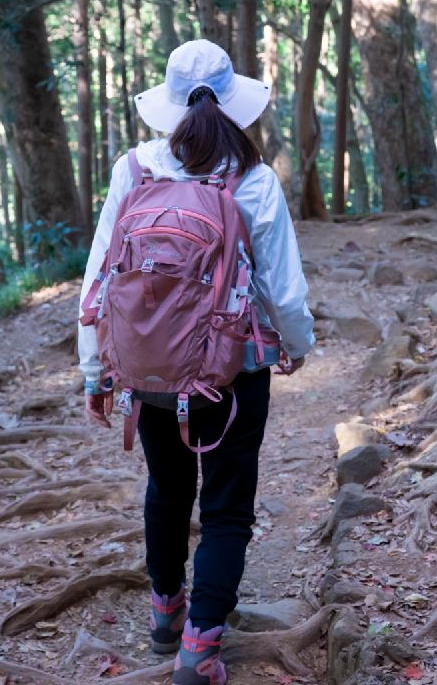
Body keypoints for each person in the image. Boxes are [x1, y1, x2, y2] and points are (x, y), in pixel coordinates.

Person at [77, 39, 314, 685]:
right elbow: (284, 292)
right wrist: (296, 346)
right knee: (228, 507)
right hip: (233, 371)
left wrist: (95, 371)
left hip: (148, 371)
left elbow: (99, 277)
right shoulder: (253, 180)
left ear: (172, 105)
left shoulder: (137, 168)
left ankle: (165, 613)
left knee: (167, 488)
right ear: (232, 102)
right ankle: (201, 648)